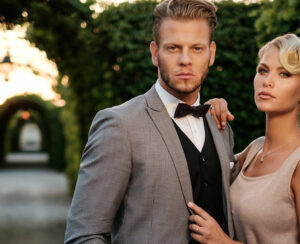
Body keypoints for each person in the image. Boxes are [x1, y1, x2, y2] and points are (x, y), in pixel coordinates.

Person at [64, 0, 237, 243]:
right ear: (155, 53)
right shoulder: (119, 125)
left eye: (197, 48)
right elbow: (83, 235)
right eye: (174, 48)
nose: (185, 60)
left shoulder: (221, 126)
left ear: (211, 53)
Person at [188, 33, 300, 244]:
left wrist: (224, 242)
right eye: (263, 70)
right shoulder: (254, 150)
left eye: (284, 74)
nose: (268, 81)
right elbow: (205, 172)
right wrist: (209, 116)